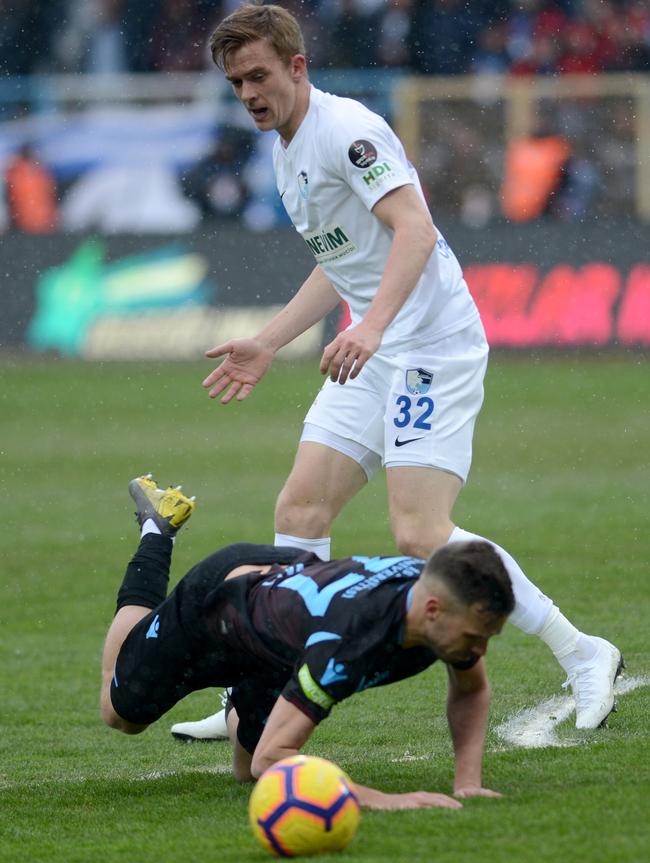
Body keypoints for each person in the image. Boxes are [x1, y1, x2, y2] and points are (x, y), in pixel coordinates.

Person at [183, 3, 621, 740]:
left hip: (430, 346)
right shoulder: (285, 149)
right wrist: (268, 341)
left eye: (260, 75)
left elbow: (415, 229)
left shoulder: (346, 131)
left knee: (419, 533)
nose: (250, 94)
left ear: (297, 67)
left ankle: (582, 652)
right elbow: (340, 263)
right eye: (236, 83)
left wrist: (374, 327)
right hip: (377, 344)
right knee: (300, 512)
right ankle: (259, 698)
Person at [101, 475, 515, 809]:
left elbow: (471, 689)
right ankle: (157, 532)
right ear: (432, 610)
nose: (479, 651)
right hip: (216, 605)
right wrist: (387, 800)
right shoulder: (347, 642)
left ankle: (239, 694)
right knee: (122, 716)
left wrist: (468, 783)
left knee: (247, 776)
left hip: (280, 632)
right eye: (475, 638)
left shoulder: (441, 606)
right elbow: (273, 759)